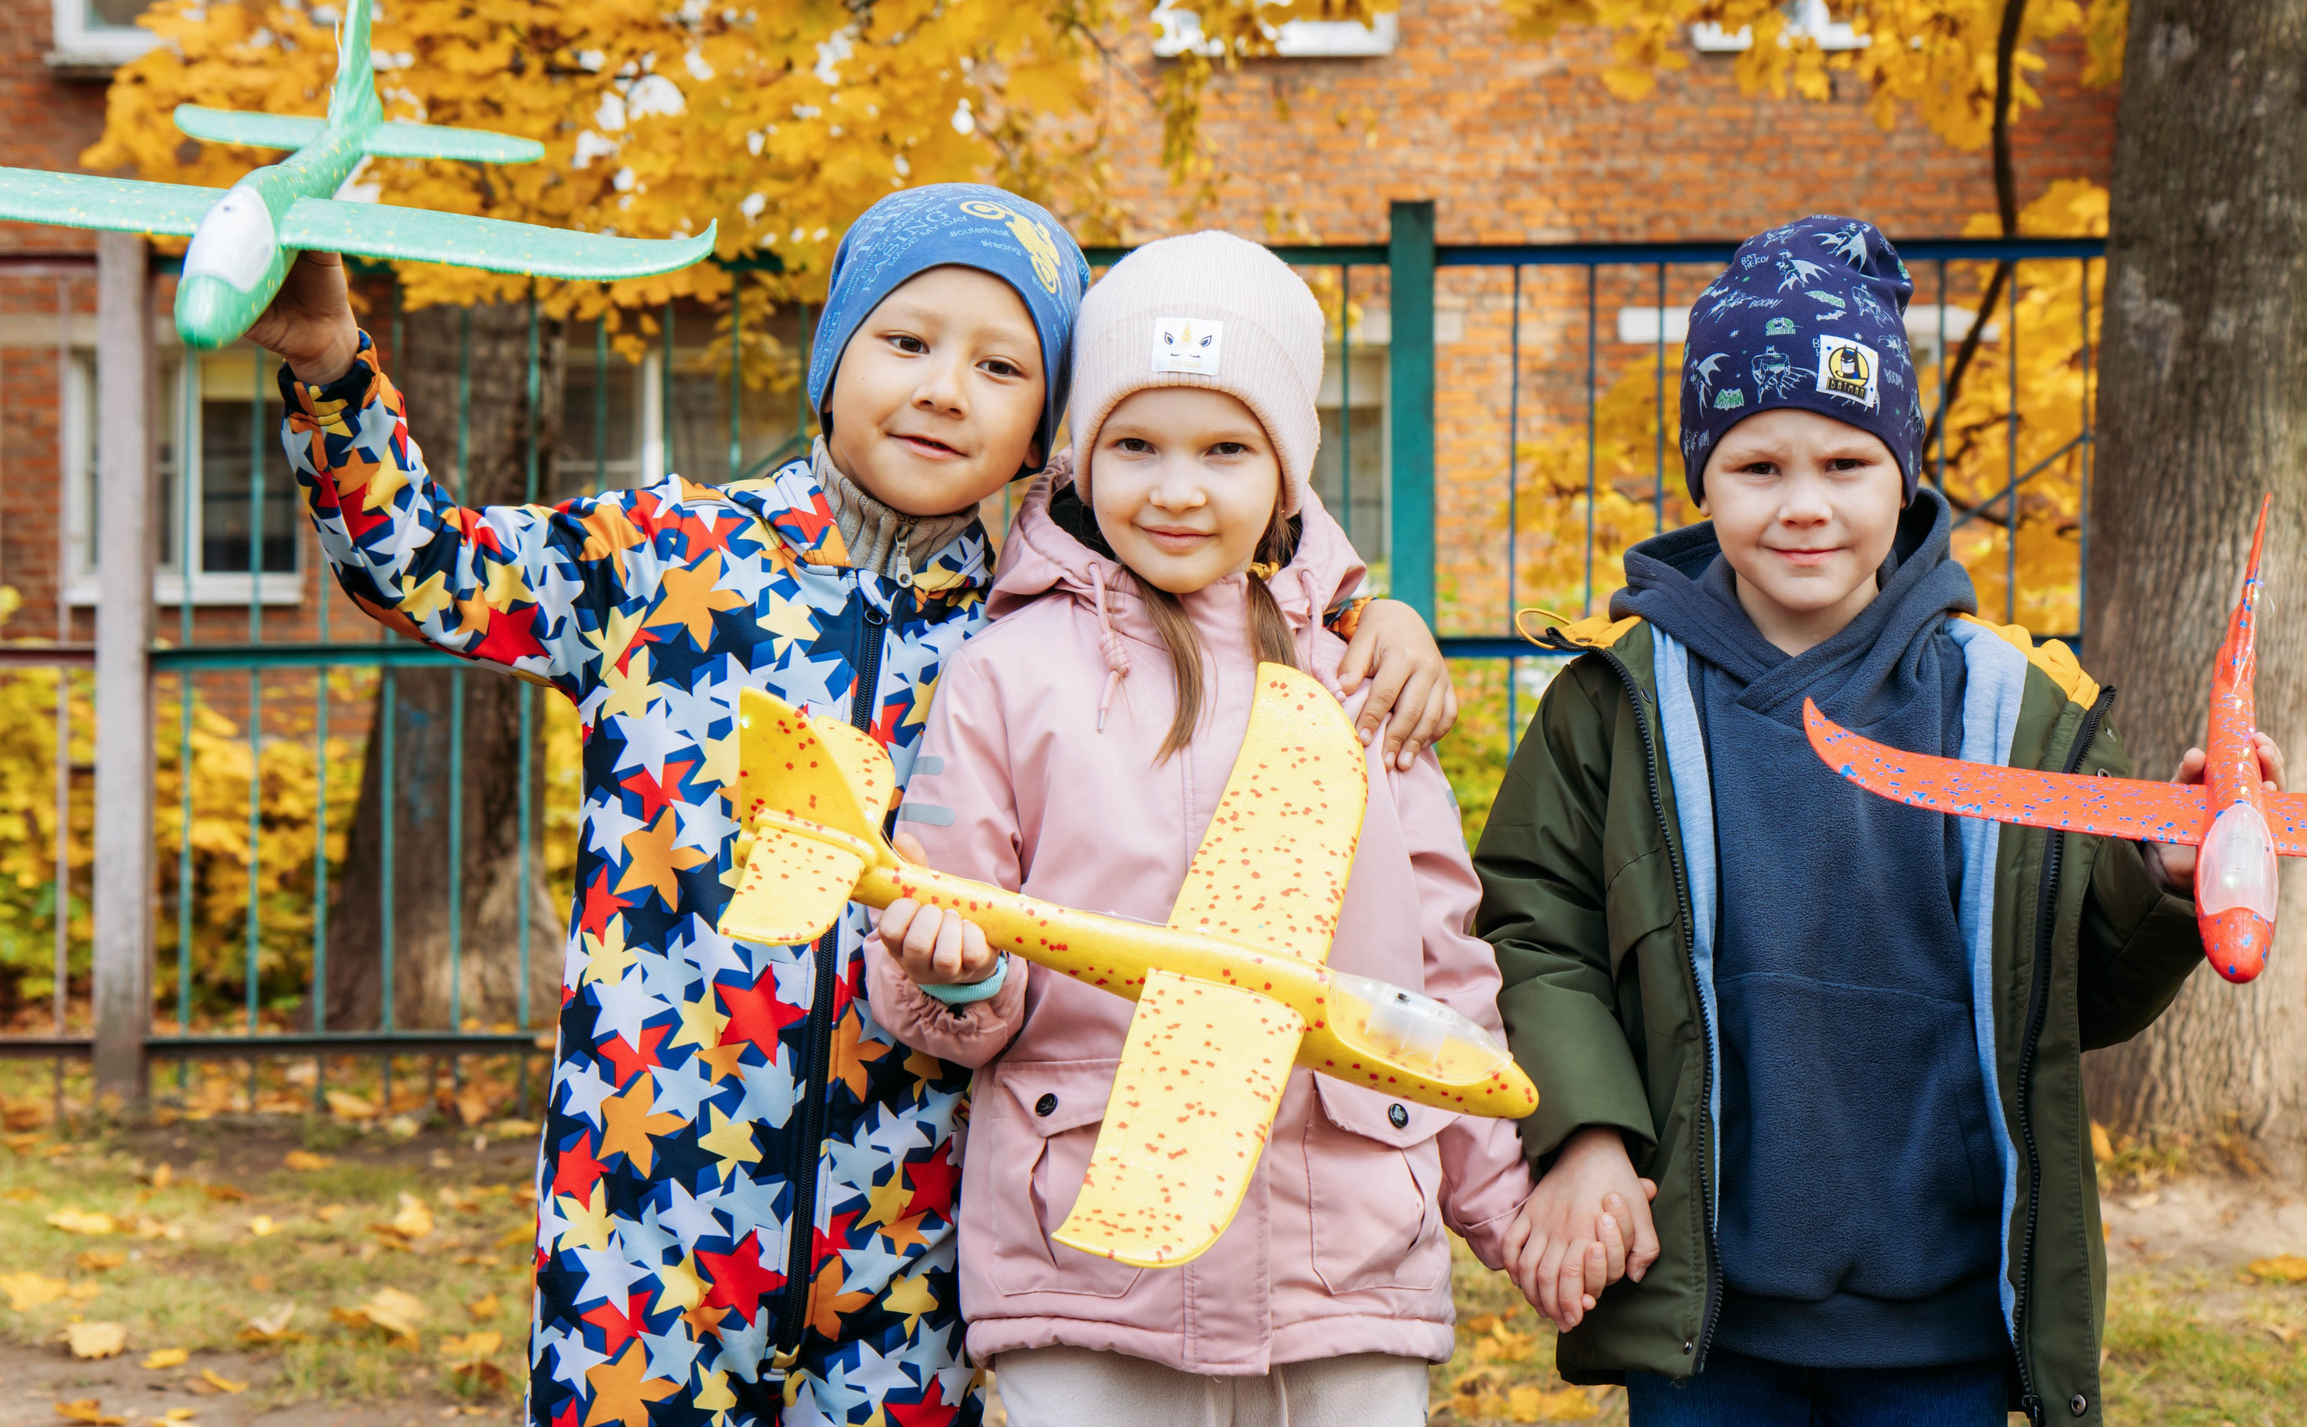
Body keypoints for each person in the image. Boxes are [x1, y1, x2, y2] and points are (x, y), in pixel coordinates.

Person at [252, 188, 1458, 1427]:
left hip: (908, 1227)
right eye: (905, 341)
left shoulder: (1041, 628)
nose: (945, 389)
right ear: (831, 361)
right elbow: (423, 568)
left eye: (1000, 365)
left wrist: (1369, 614)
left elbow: (1231, 581)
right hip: (648, 1197)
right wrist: (335, 371)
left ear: (1052, 427)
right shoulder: (666, 556)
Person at [1475, 216, 2285, 1426]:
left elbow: (2081, 1001)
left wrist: (2167, 883)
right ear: (1702, 477)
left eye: (1845, 465)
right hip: (1707, 1312)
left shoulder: (2019, 711)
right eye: (1758, 467)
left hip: (1943, 1317)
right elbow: (1533, 932)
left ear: (1906, 475)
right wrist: (1586, 1133)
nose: (1803, 507)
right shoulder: (1616, 702)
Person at [861, 232, 1539, 1427]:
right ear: (1078, 459)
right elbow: (941, 948)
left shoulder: (1363, 678)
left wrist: (1506, 1206)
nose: (1177, 489)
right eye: (1135, 446)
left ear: (1288, 476)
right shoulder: (1003, 677)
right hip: (1089, 1264)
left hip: (1346, 1260)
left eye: (1225, 449)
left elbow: (1442, 975)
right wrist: (950, 978)